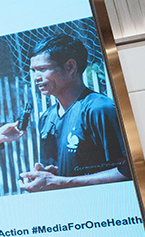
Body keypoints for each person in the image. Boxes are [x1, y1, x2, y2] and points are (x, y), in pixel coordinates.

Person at [20, 34, 131, 191]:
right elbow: (72, 171)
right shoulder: (46, 118)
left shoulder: (100, 110)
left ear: (70, 67)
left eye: (43, 69)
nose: (36, 77)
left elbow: (129, 171)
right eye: (33, 71)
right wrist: (51, 174)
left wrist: (62, 182)